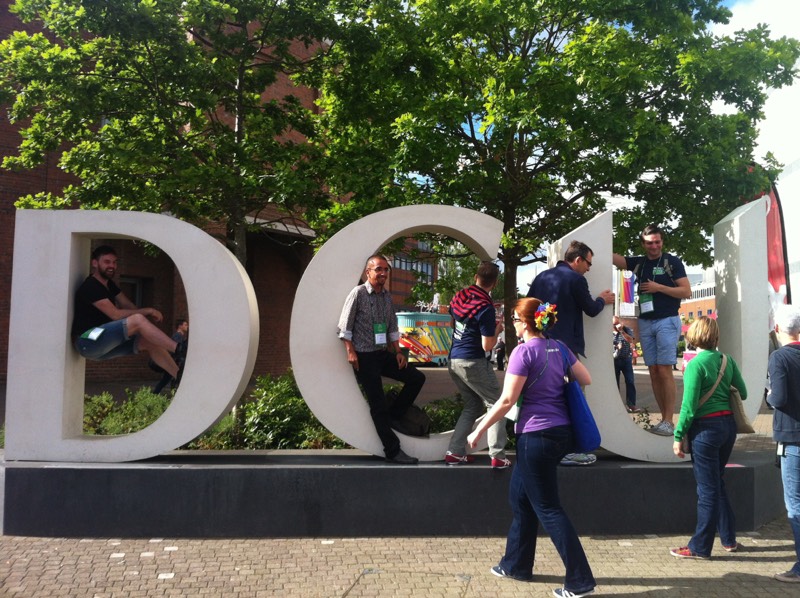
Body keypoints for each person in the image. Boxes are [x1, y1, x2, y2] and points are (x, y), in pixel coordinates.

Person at [467, 298, 596, 598]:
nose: (511, 323)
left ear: (525, 323)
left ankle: (580, 581)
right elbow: (586, 378)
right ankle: (516, 565)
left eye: (513, 318)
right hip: (560, 434)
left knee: (549, 508)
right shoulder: (560, 348)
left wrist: (480, 430)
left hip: (535, 437)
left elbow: (507, 400)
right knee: (521, 499)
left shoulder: (522, 352)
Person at [529, 240, 614, 466]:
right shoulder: (576, 279)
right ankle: (569, 450)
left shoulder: (542, 277)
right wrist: (602, 300)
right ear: (577, 260)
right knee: (572, 398)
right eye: (588, 263)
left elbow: (529, 306)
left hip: (539, 347)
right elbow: (591, 309)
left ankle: (545, 446)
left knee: (545, 399)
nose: (589, 268)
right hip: (565, 351)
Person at [670, 316, 747, 559]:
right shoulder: (727, 360)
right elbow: (743, 392)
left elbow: (688, 407)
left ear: (693, 336)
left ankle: (700, 547)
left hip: (705, 430)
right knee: (717, 482)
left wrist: (678, 436)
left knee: (707, 490)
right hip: (728, 427)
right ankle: (728, 539)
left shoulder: (695, 365)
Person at [338, 254, 426, 465]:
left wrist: (398, 352)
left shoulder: (386, 296)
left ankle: (394, 416)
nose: (383, 273)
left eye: (386, 270)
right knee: (377, 405)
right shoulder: (358, 293)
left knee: (417, 378)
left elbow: (392, 327)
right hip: (364, 357)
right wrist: (350, 351)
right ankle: (393, 451)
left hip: (382, 353)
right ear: (368, 272)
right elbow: (344, 327)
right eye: (378, 269)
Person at [613, 224, 691, 436]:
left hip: (667, 320)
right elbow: (614, 258)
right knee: (654, 370)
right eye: (649, 243)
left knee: (664, 369)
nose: (654, 246)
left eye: (657, 242)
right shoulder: (639, 263)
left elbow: (686, 291)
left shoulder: (671, 262)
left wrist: (659, 288)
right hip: (646, 321)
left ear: (662, 242)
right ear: (643, 244)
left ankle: (669, 420)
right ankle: (663, 420)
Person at [72, 245, 185, 382]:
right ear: (95, 263)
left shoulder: (109, 285)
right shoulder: (90, 286)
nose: (112, 266)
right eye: (107, 262)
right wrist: (147, 311)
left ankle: (179, 376)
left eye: (114, 262)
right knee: (137, 319)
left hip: (101, 344)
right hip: (87, 341)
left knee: (150, 340)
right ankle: (179, 349)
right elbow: (115, 315)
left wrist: (146, 327)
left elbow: (128, 306)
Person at [444, 261, 509, 468]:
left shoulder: (459, 296)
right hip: (473, 361)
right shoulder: (485, 307)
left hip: (454, 360)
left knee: (473, 404)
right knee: (497, 404)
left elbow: (453, 323)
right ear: (495, 283)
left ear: (475, 277)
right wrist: (497, 330)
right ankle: (498, 455)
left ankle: (455, 452)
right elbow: (487, 345)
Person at [767, 303, 800, 583]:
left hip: (792, 437)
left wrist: (769, 395)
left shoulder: (780, 358)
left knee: (795, 506)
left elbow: (778, 398)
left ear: (777, 328)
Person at [153, 318, 189, 394]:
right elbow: (177, 350)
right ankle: (173, 394)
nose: (187, 326)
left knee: (166, 380)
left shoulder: (179, 336)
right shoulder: (178, 336)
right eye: (185, 325)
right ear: (180, 326)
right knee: (174, 380)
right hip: (174, 363)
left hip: (172, 362)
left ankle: (154, 394)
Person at [613, 316, 639, 413]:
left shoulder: (626, 330)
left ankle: (631, 404)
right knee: (615, 383)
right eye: (614, 325)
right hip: (615, 360)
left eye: (618, 323)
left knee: (630, 381)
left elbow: (630, 340)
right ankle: (616, 404)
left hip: (626, 359)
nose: (616, 326)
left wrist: (622, 331)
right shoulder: (608, 333)